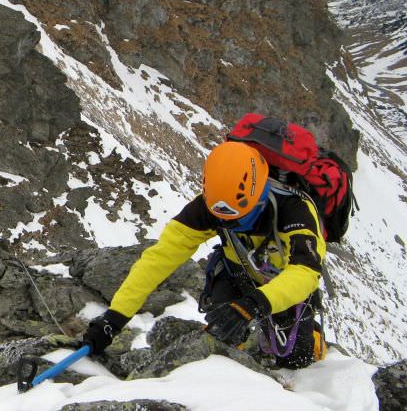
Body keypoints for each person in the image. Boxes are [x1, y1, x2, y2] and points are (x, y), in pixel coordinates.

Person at [81, 141, 328, 369]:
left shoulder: (296, 210)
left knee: (298, 359)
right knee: (221, 339)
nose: (226, 223)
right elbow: (158, 260)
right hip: (237, 271)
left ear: (259, 196)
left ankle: (308, 338)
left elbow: (305, 272)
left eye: (237, 217)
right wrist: (114, 318)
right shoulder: (208, 208)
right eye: (222, 218)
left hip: (285, 283)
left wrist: (254, 304)